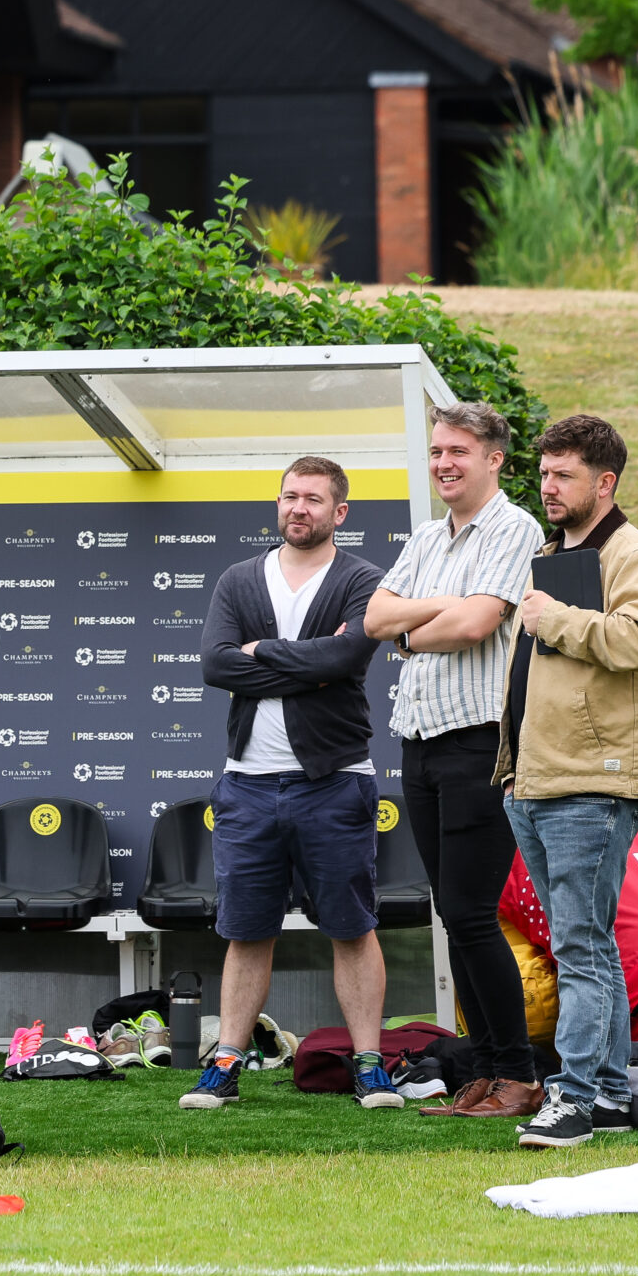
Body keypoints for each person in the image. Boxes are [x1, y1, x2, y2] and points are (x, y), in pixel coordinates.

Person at [188, 456, 391, 1111]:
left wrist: (262, 653)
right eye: (289, 496)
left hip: (334, 781)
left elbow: (348, 654)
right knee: (247, 929)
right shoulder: (239, 578)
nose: (298, 507)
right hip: (247, 783)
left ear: (340, 511)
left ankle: (369, 1065)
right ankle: (226, 1062)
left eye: (313, 498)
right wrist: (310, 664)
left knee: (351, 926)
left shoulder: (364, 579)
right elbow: (215, 665)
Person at [362, 400, 545, 1121]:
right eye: (437, 450)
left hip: (480, 744)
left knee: (470, 913)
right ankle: (486, 1072)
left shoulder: (515, 527)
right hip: (419, 740)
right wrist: (437, 609)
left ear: (493, 459)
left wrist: (413, 629)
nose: (443, 463)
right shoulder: (425, 536)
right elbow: (375, 618)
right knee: (452, 914)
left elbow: (475, 623)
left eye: (458, 451)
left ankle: (518, 1076)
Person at [501, 414, 638, 1149]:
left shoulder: (634, 553)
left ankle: (571, 1099)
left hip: (593, 781)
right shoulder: (553, 552)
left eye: (563, 474)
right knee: (588, 944)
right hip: (537, 776)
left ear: (605, 482)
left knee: (579, 945)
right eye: (544, 472)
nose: (547, 486)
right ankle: (607, 1093)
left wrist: (556, 618)